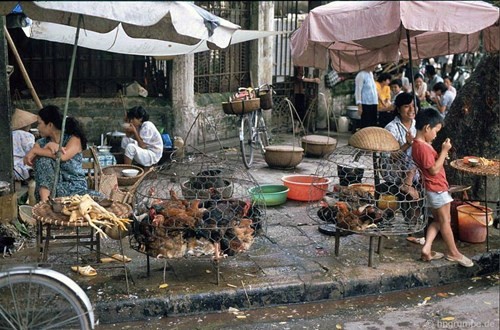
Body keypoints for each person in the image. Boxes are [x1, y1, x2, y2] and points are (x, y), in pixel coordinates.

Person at [412, 108, 473, 267]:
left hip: (432, 188)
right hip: (436, 187)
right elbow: (433, 170)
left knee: (438, 220)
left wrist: (440, 154)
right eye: (435, 131)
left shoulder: (419, 144)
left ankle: (427, 248)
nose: (436, 135)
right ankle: (454, 253)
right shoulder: (423, 147)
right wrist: (444, 150)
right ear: (427, 128)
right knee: (446, 220)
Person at [23, 105, 90, 202]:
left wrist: (37, 150)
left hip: (75, 188)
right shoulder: (41, 142)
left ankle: (46, 203)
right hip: (50, 192)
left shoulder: (74, 138)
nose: (37, 128)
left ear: (50, 125)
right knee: (43, 160)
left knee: (100, 199)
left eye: (39, 123)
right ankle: (44, 204)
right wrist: (43, 149)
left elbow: (62, 156)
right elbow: (31, 162)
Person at [382, 93, 424, 245]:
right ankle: (407, 184)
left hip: (414, 173)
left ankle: (412, 227)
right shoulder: (391, 128)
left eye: (414, 106)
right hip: (395, 174)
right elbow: (389, 157)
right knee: (415, 148)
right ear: (398, 109)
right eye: (407, 106)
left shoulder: (418, 124)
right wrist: (407, 144)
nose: (411, 109)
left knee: (421, 149)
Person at [11, 109, 37, 182]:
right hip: (20, 169)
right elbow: (32, 150)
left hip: (11, 168)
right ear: (27, 125)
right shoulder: (27, 135)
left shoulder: (10, 134)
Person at [293, 66, 321, 132]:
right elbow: (300, 78)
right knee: (299, 108)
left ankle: (299, 127)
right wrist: (313, 80)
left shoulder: (304, 66)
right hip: (298, 90)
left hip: (303, 90)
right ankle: (297, 127)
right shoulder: (300, 65)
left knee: (302, 108)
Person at [355, 65, 378, 129]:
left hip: (373, 102)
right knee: (366, 124)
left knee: (373, 124)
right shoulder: (360, 75)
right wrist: (359, 105)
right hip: (365, 103)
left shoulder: (371, 74)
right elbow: (358, 90)